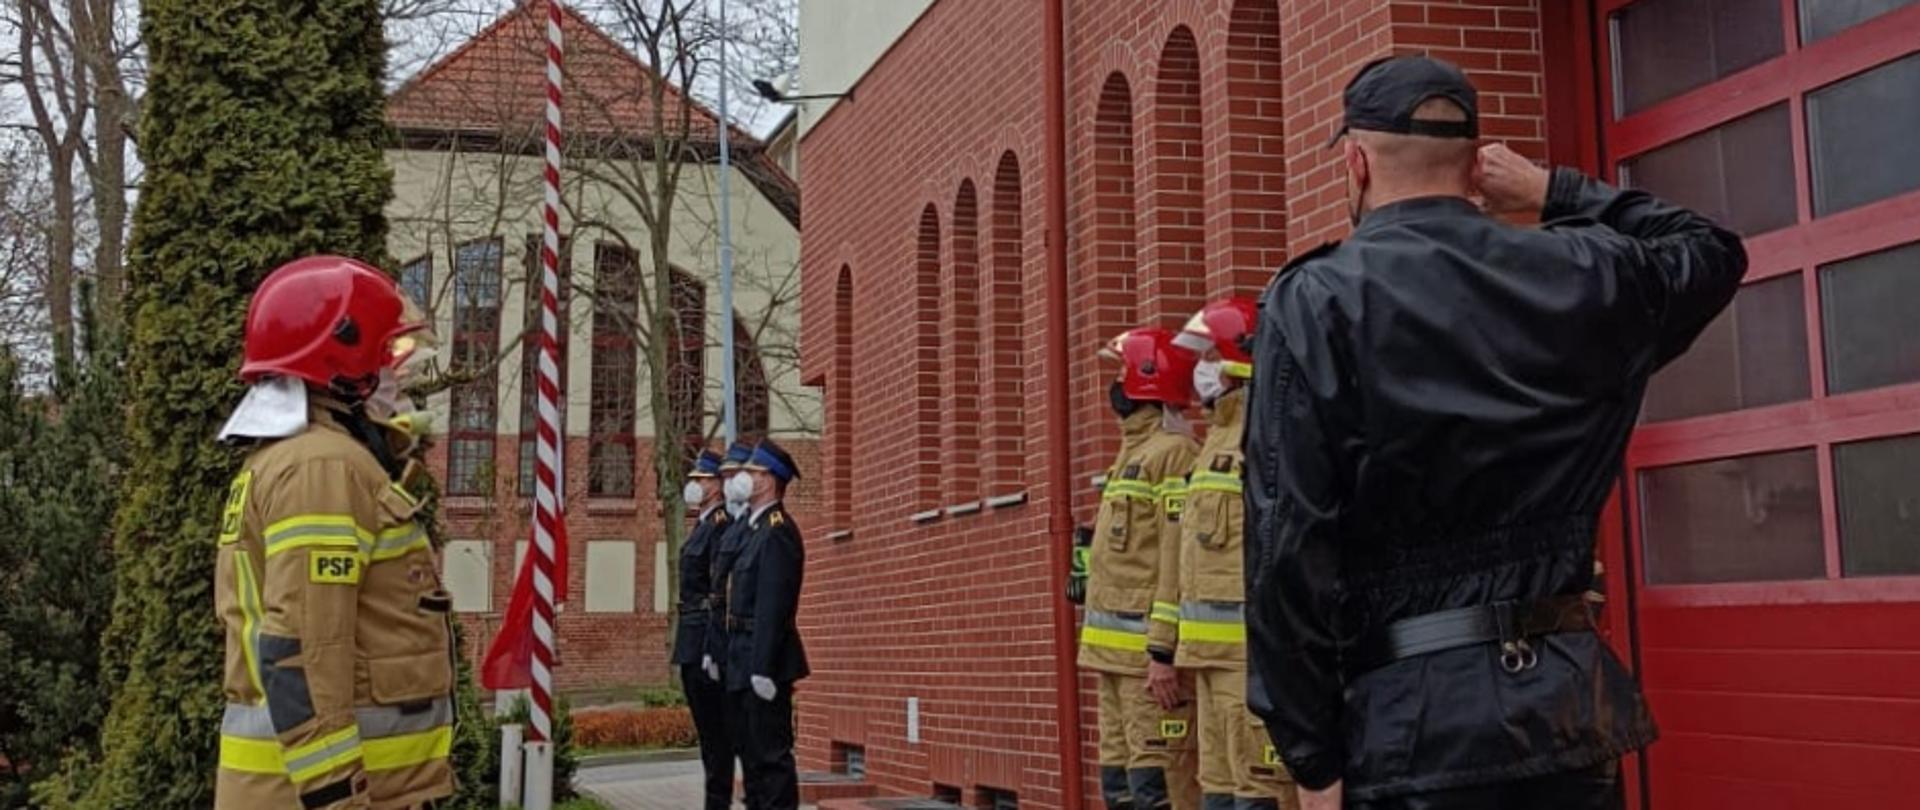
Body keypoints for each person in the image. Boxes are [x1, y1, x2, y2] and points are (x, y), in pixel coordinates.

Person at [1244, 56, 1746, 810]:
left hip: (1407, 722)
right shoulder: (1581, 272)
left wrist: (1310, 753)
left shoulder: (1318, 301)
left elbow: (1287, 540)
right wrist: (1555, 191)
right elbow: (1709, 248)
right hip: (1564, 713)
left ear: (1354, 160)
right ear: (1480, 164)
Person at [214, 255, 457, 809]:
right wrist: (337, 796)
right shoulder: (321, 467)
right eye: (391, 355)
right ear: (344, 362)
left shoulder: (304, 459)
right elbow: (302, 646)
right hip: (327, 796)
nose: (406, 374)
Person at [1170, 299, 1298, 810]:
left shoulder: (1267, 436)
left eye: (1209, 357)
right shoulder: (1214, 441)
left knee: (1261, 793)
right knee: (1219, 793)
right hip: (1207, 659)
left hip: (1252, 658)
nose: (1202, 372)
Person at [1081, 327, 1204, 810]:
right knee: (1120, 785)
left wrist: (1163, 652)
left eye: (1120, 371)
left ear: (1144, 380)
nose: (1113, 384)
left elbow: (1177, 559)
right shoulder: (1131, 453)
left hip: (1146, 665)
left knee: (1159, 786)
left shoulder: (1173, 454)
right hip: (1113, 662)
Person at [723, 439, 810, 810]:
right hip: (742, 657)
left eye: (753, 472)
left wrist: (762, 667)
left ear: (769, 481)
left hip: (765, 663)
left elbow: (773, 606)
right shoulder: (754, 529)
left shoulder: (778, 531)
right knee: (752, 760)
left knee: (771, 758)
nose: (744, 477)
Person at [674, 448, 737, 810]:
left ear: (719, 485)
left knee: (717, 736)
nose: (695, 485)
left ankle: (718, 803)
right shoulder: (701, 524)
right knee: (708, 736)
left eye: (702, 479)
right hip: (691, 637)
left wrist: (714, 646)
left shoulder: (720, 525)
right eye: (694, 478)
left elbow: (718, 590)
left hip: (705, 638)